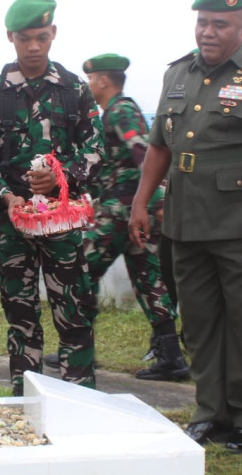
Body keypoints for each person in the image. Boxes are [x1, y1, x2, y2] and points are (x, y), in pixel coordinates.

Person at [129, 0, 242, 453]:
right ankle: (211, 411)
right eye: (202, 22)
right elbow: (160, 145)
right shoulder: (177, 74)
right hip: (186, 222)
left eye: (219, 24)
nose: (208, 31)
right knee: (200, 325)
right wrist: (141, 202)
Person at [0, 0, 104, 396]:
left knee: (75, 316)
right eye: (26, 38)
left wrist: (62, 175)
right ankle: (25, 398)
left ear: (54, 34)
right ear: (10, 36)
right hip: (14, 227)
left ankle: (80, 400)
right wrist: (6, 198)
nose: (34, 47)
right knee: (21, 316)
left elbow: (96, 149)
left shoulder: (74, 90)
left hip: (63, 226)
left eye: (42, 37)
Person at [78, 53, 187, 381]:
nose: (89, 85)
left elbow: (143, 152)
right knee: (148, 278)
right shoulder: (116, 110)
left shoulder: (121, 110)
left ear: (103, 81)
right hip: (132, 210)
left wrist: (151, 200)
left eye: (91, 79)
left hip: (122, 211)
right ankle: (171, 356)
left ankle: (78, 349)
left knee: (79, 270)